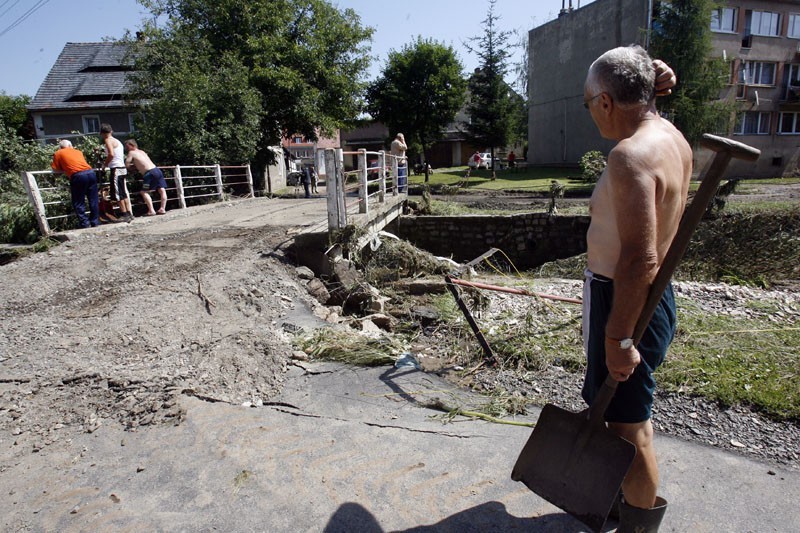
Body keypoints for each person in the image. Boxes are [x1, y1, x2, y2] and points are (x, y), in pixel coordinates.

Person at [581, 47, 688, 532]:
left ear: (605, 102)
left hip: (626, 301)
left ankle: (640, 524)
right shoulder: (671, 137)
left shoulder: (629, 156)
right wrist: (653, 75)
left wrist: (617, 339)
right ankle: (621, 504)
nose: (590, 114)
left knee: (630, 430)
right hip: (651, 297)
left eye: (588, 104)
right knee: (622, 417)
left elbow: (638, 258)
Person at [51, 139, 100, 228]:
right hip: (90, 173)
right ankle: (95, 221)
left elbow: (55, 170)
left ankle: (84, 223)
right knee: (93, 199)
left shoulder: (58, 153)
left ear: (61, 147)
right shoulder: (78, 152)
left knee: (78, 201)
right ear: (70, 145)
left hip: (78, 176)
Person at [124, 139, 168, 215]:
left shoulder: (131, 153)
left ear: (132, 145)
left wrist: (131, 168)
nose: (126, 148)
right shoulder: (142, 152)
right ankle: (162, 208)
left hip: (149, 174)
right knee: (161, 189)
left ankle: (151, 210)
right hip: (157, 170)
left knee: (143, 191)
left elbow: (127, 164)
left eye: (127, 146)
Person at [100, 124, 133, 222]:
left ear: (102, 133)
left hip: (116, 168)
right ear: (111, 131)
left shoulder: (108, 140)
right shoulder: (117, 141)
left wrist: (105, 164)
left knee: (118, 193)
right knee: (123, 192)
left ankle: (124, 214)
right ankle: (129, 213)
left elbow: (111, 154)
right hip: (122, 168)